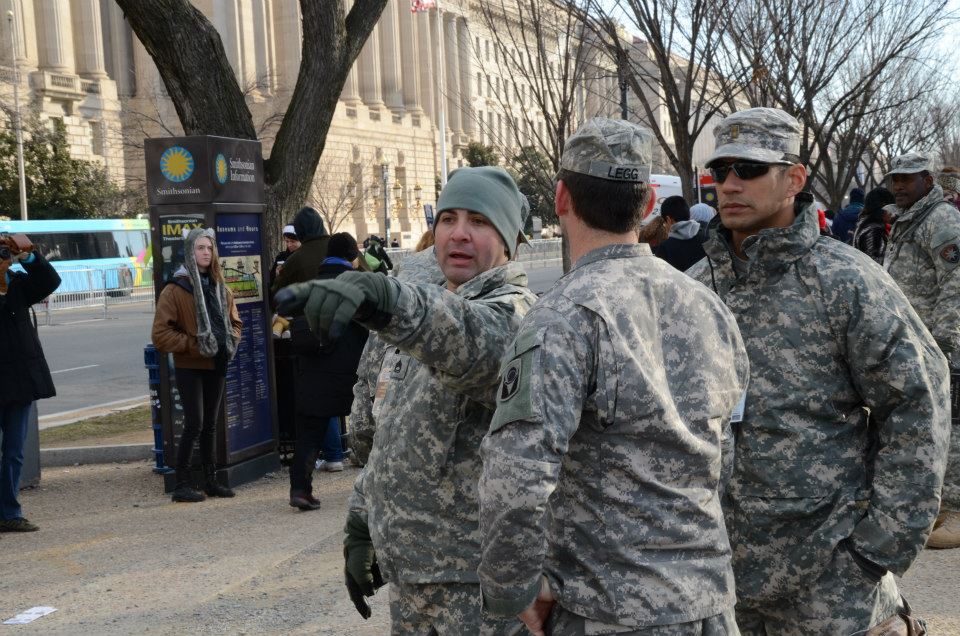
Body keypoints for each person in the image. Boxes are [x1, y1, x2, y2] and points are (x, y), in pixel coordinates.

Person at [478, 118, 749, 636]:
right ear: (648, 202)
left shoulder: (562, 317)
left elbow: (516, 475)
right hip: (708, 603)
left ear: (561, 197)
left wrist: (513, 588)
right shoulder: (709, 306)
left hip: (609, 610)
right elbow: (725, 453)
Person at [686, 107, 950, 634]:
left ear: (795, 179)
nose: (730, 184)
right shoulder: (693, 290)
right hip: (717, 582)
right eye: (721, 170)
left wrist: (876, 551)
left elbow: (918, 405)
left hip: (828, 587)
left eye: (750, 169)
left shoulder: (846, 281)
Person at [276, 166, 536, 634]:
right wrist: (362, 521)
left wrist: (384, 297)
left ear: (508, 239)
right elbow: (392, 434)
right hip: (413, 578)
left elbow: (467, 337)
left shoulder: (517, 313)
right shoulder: (420, 317)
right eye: (448, 219)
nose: (459, 233)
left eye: (479, 221)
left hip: (478, 586)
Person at [883, 151, 960, 549]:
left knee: (954, 423)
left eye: (907, 178)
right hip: (914, 340)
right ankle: (940, 503)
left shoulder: (941, 219)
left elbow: (956, 283)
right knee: (929, 421)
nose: (898, 185)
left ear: (927, 181)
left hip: (941, 343)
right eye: (895, 178)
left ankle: (958, 509)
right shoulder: (907, 219)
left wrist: (947, 342)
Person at [152, 228, 242, 503]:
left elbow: (235, 323)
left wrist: (229, 341)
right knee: (195, 423)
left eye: (209, 248)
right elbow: (160, 335)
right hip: (190, 364)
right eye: (200, 248)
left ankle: (210, 480)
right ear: (190, 252)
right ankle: (181, 483)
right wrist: (197, 345)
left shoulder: (220, 286)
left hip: (218, 362)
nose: (205, 252)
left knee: (211, 424)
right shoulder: (175, 289)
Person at [286, 232, 369, 511]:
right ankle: (373, 491)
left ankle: (301, 490)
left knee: (309, 435)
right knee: (374, 431)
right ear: (352, 257)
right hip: (352, 374)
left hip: (313, 373)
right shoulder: (357, 286)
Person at [0, 234, 60, 533]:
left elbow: (50, 281)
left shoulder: (16, 283)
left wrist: (27, 256)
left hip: (18, 380)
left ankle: (9, 513)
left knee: (14, 452)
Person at [270, 207, 329, 296]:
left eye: (293, 241)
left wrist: (279, 276)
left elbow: (277, 292)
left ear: (299, 232)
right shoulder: (336, 247)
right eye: (287, 241)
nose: (289, 245)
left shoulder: (295, 259)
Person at [652, 195, 707, 271]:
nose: (665, 226)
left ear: (668, 219)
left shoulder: (665, 248)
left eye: (664, 223)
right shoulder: (706, 238)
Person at [852, 187, 894, 264]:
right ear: (883, 208)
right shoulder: (873, 231)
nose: (893, 213)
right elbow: (877, 264)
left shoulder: (866, 225)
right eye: (891, 208)